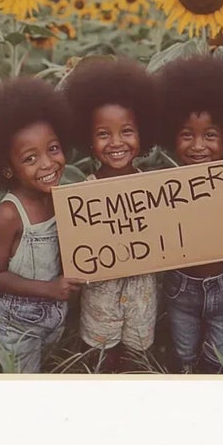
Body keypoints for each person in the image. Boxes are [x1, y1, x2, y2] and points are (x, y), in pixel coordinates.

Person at [0, 77, 82, 373]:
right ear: (7, 168)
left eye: (53, 149)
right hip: (14, 325)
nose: (47, 164)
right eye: (30, 158)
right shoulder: (9, 214)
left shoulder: (60, 197)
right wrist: (50, 289)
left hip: (53, 314)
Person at [156, 54, 223, 373]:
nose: (198, 145)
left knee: (222, 358)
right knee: (184, 355)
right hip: (181, 290)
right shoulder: (165, 188)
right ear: (170, 135)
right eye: (187, 134)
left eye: (210, 135)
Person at [62, 56, 160, 372]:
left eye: (127, 131)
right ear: (87, 140)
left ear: (143, 133)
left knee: (137, 359)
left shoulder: (157, 189)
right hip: (99, 301)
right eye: (103, 134)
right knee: (100, 360)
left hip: (142, 297)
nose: (116, 143)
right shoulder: (82, 196)